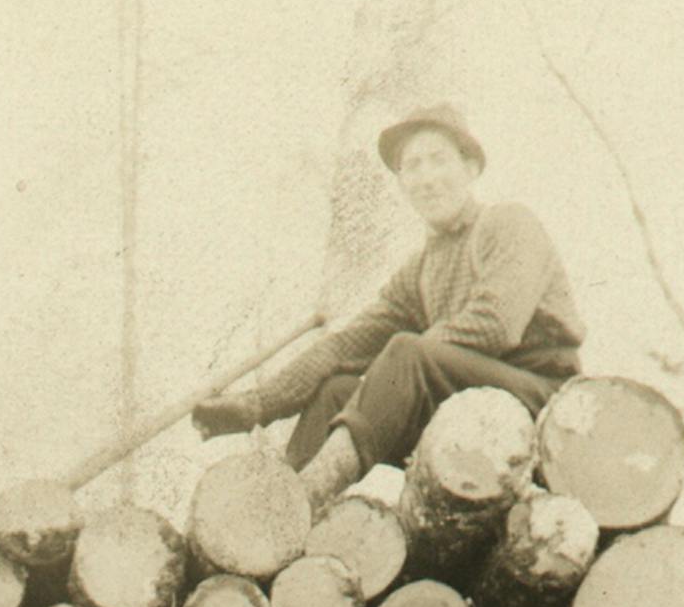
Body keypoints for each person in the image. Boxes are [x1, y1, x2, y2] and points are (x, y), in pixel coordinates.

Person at [193, 104, 584, 511]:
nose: (427, 178)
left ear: (470, 168)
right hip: (467, 415)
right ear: (401, 183)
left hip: (544, 408)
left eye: (439, 160)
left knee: (404, 353)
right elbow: (346, 346)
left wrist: (402, 358)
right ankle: (277, 515)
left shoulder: (507, 224)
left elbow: (496, 325)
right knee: (337, 391)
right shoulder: (420, 270)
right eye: (411, 166)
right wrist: (259, 404)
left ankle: (308, 498)